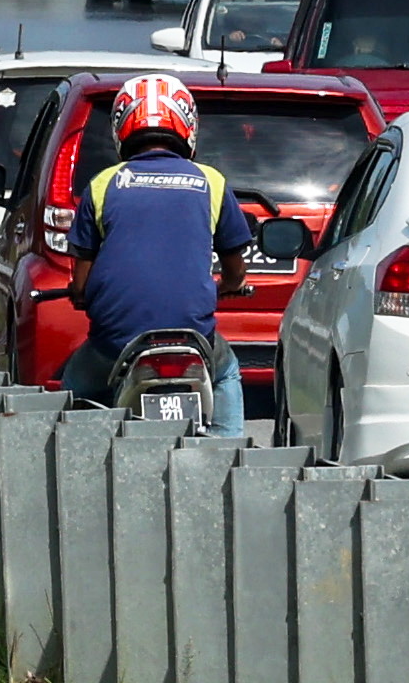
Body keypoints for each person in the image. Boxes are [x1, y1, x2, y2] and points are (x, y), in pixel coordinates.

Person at [65, 70, 262, 433]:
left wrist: (81, 296)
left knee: (75, 387)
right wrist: (225, 286)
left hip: (115, 340)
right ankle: (228, 448)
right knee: (227, 372)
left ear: (121, 127)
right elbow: (236, 272)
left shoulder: (103, 184)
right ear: (187, 125)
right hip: (195, 337)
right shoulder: (211, 182)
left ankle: (74, 451)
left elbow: (80, 281)